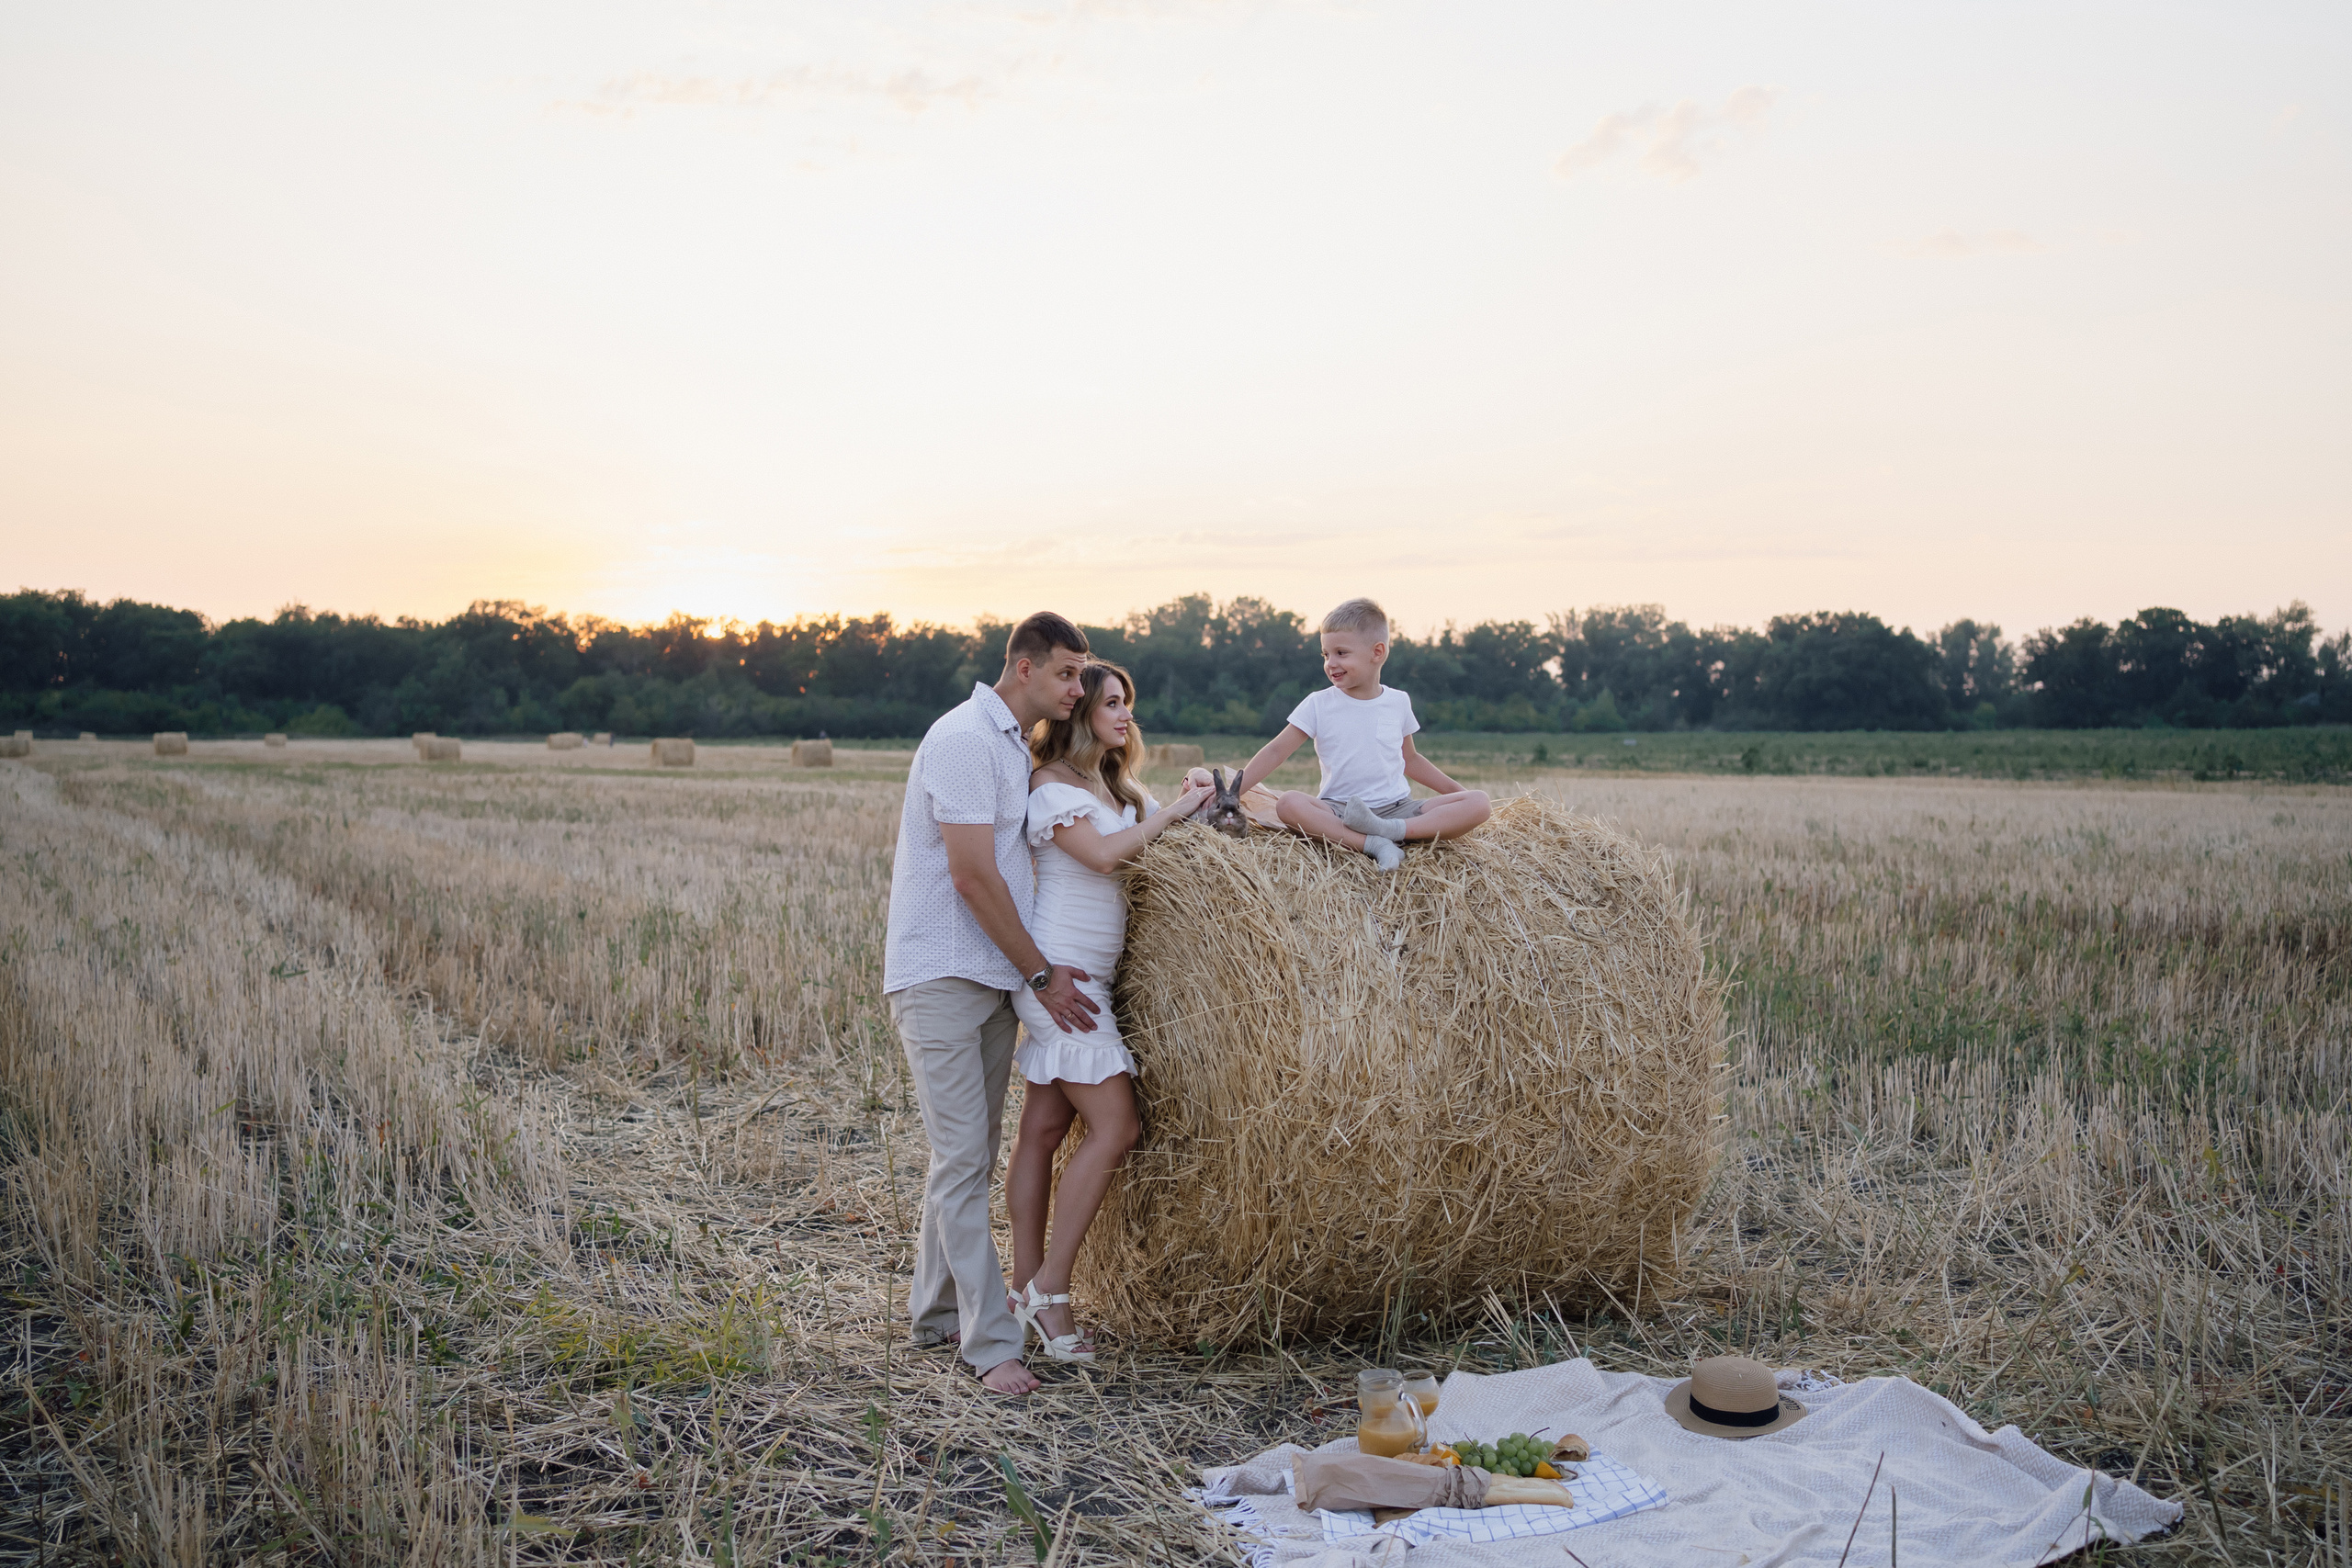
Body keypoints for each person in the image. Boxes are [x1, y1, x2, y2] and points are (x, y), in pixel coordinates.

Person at [882, 611, 1100, 1396]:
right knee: (965, 1157)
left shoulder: (1013, 743)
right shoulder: (966, 739)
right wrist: (1042, 973)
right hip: (941, 975)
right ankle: (989, 1344)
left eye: (1082, 675)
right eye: (1068, 673)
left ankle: (934, 1314)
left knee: (963, 1154)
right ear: (1023, 666)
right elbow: (974, 876)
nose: (1079, 688)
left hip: (992, 976)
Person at [1003, 662, 1214, 1361]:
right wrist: (1172, 812)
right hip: (1060, 974)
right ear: (1082, 710)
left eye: (1130, 702)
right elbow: (1099, 857)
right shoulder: (1050, 787)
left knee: (1044, 1125)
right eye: (1113, 703)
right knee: (1116, 1127)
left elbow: (1154, 842)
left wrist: (1192, 802)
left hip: (1094, 972)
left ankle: (1021, 1284)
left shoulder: (1116, 786)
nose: (1126, 715)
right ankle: (1051, 1291)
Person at [1221, 597, 1489, 869]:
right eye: (1325, 655)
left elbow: (1410, 759)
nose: (1330, 663)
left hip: (1397, 808)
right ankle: (1374, 844)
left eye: (1341, 653)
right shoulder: (1318, 703)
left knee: (1479, 803)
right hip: (1339, 810)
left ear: (1377, 652)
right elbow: (1276, 751)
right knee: (1289, 804)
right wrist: (1232, 793)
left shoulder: (1398, 702)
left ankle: (1391, 830)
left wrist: (1457, 794)